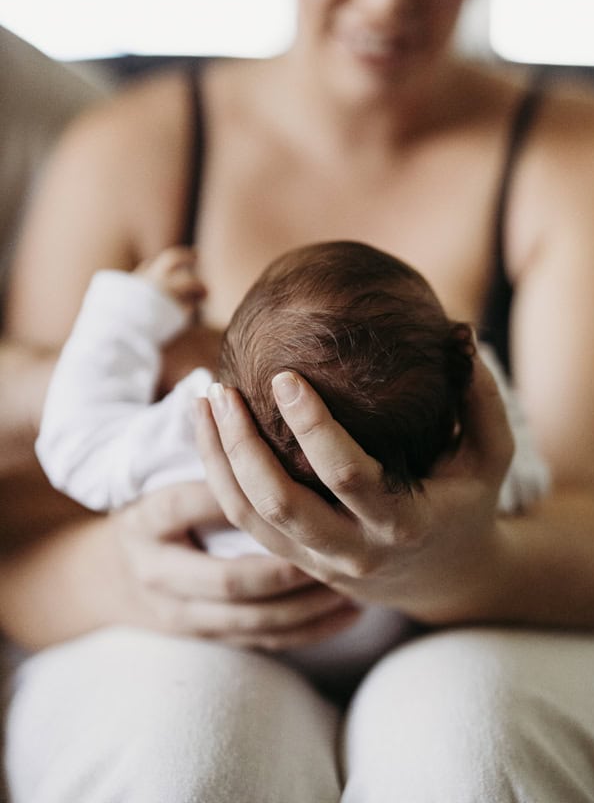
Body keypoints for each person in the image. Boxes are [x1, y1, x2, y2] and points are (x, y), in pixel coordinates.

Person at [1, 0, 594, 799]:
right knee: (187, 747)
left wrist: (456, 564)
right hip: (169, 610)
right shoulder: (127, 149)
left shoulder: (587, 157)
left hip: (515, 604)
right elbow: (24, 516)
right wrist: (144, 580)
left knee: (467, 740)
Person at [34, 240, 549, 693]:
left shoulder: (191, 430)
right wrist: (485, 383)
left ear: (222, 357)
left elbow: (73, 446)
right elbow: (527, 480)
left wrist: (128, 312)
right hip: (384, 649)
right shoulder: (446, 481)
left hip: (236, 654)